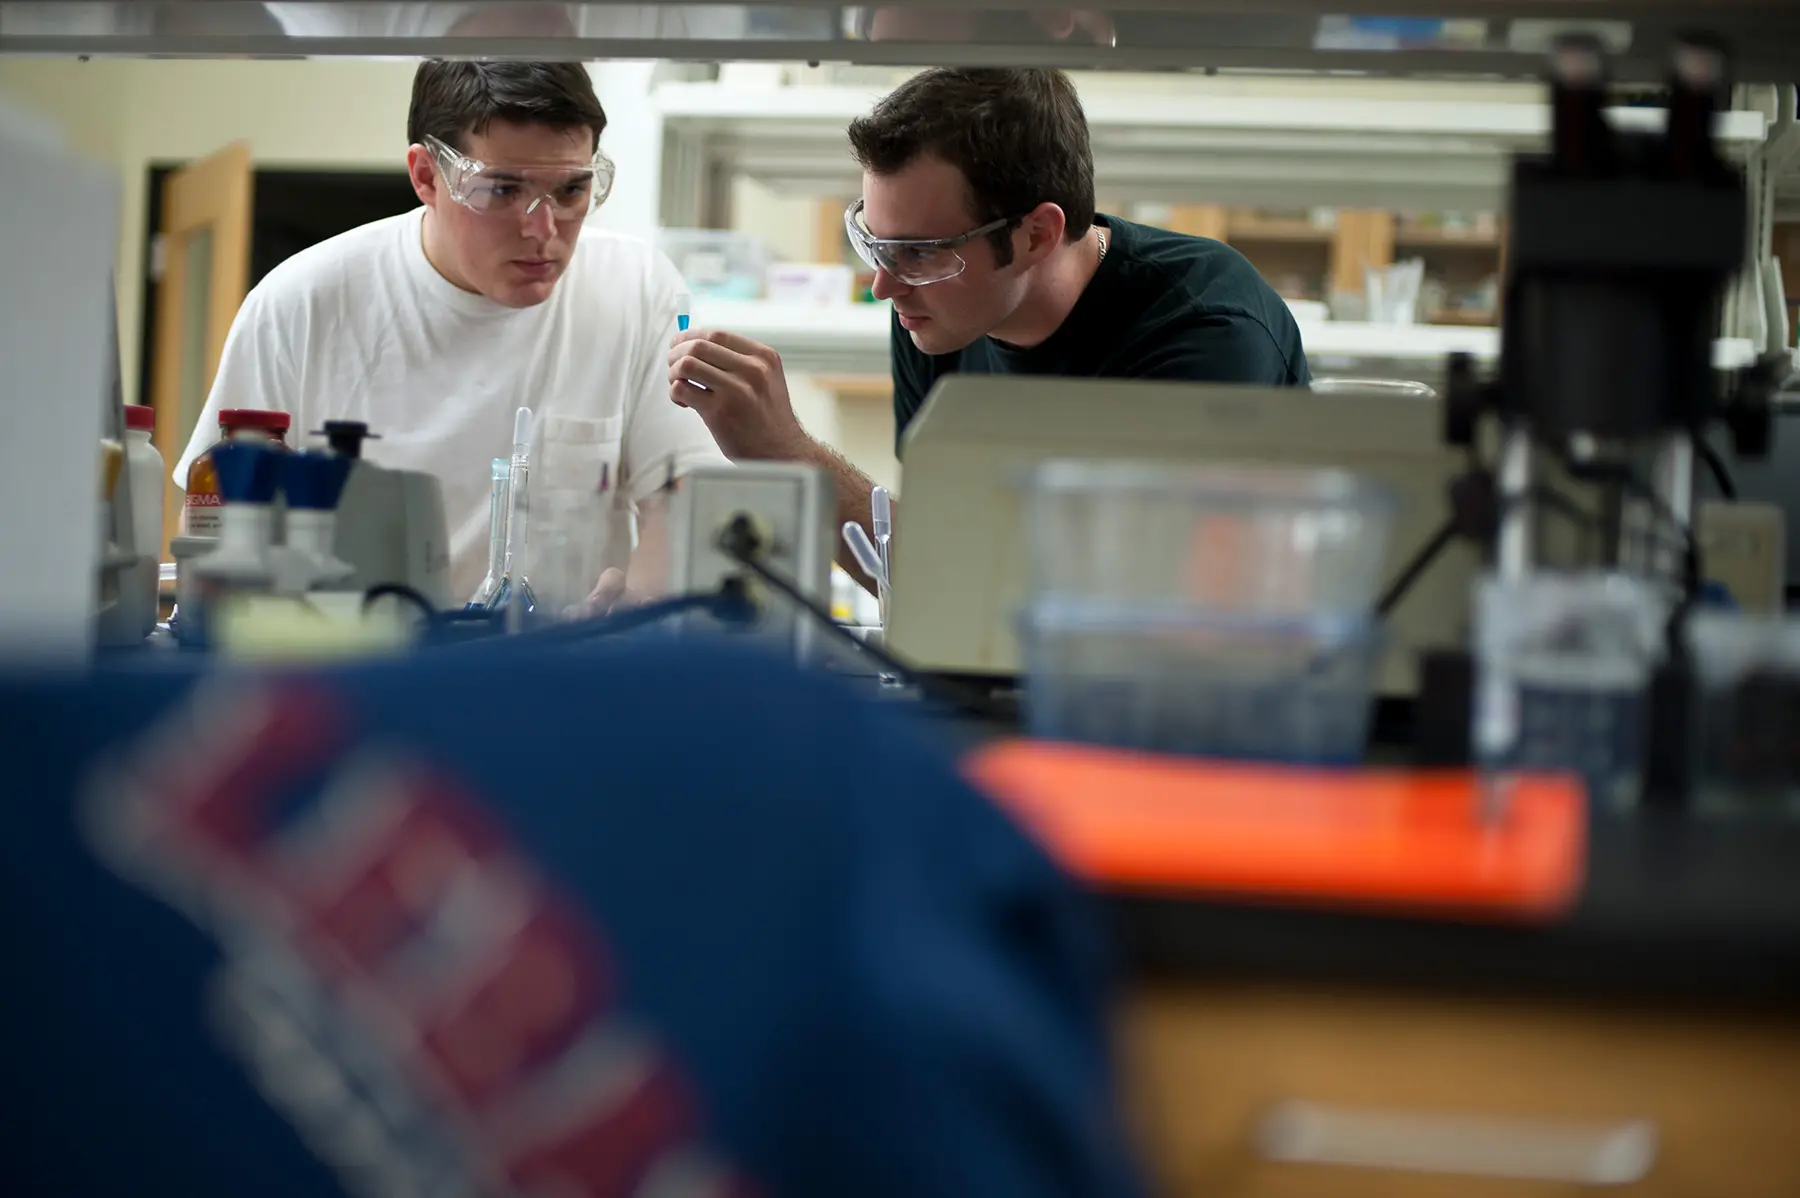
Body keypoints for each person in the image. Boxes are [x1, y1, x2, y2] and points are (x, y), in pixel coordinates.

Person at [669, 67, 1310, 582]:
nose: (885, 285)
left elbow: (1107, 603)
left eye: (920, 250)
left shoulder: (1204, 333)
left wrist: (789, 453)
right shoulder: (932, 308)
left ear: (1037, 234)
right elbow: (939, 563)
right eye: (876, 243)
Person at [178, 59, 726, 610]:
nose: (544, 229)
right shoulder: (302, 302)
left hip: (559, 670)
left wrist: (640, 612)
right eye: (503, 189)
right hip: (354, 671)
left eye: (570, 190)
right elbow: (215, 513)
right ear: (425, 176)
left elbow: (677, 501)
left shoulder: (635, 288)